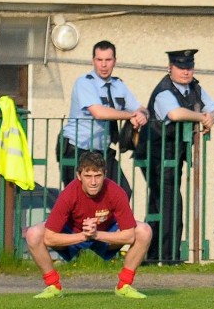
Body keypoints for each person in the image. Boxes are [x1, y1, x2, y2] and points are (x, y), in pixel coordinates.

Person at [24, 151, 152, 299]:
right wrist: (84, 235)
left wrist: (96, 234)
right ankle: (53, 286)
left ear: (105, 174)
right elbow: (49, 238)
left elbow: (129, 236)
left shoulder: (116, 192)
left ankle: (124, 286)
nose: (93, 182)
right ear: (79, 176)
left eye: (97, 176)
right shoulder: (69, 194)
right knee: (34, 234)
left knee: (144, 230)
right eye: (88, 176)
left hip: (105, 233)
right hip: (73, 232)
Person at [141, 49, 214, 263]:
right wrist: (203, 117)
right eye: (181, 67)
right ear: (170, 68)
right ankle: (169, 256)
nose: (186, 72)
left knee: (158, 204)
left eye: (189, 67)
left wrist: (211, 116)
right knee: (170, 202)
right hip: (155, 154)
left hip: (174, 154)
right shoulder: (164, 91)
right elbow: (175, 114)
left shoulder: (195, 87)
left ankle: (151, 255)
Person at [58, 40, 148, 199]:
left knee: (122, 193)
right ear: (93, 61)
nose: (104, 65)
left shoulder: (118, 84)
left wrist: (142, 115)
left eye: (108, 60)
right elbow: (99, 112)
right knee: (79, 200)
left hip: (102, 150)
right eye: (99, 60)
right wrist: (130, 115)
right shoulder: (84, 83)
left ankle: (110, 225)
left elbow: (139, 107)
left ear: (115, 61)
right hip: (78, 148)